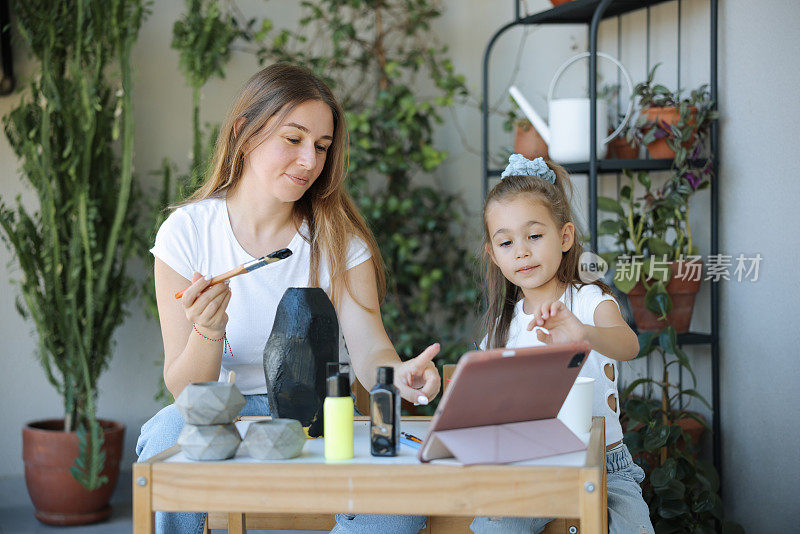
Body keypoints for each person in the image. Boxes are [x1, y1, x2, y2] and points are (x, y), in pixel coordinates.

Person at [136, 62, 439, 534]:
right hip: (224, 415)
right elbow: (185, 390)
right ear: (244, 132)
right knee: (164, 440)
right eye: (293, 139)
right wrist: (208, 330)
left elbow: (370, 348)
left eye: (321, 147)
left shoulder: (339, 239)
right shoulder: (187, 234)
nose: (309, 162)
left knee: (399, 507)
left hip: (322, 414)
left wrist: (397, 374)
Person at [469, 154, 654, 534]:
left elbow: (629, 343)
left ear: (565, 236)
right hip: (533, 469)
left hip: (605, 465)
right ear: (493, 253)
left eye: (534, 236)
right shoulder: (500, 333)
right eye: (506, 242)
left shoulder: (590, 301)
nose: (521, 251)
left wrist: (583, 334)